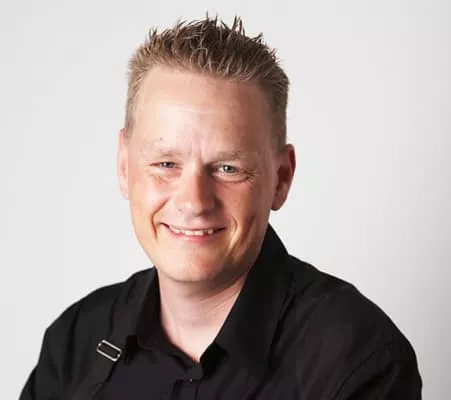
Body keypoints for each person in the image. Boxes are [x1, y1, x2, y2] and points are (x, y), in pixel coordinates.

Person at [20, 16, 422, 399]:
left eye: (228, 168)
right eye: (166, 164)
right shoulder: (76, 341)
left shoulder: (358, 360)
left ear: (281, 179)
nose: (194, 201)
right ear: (125, 167)